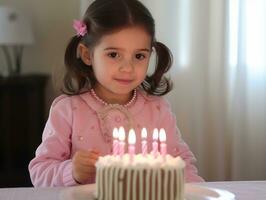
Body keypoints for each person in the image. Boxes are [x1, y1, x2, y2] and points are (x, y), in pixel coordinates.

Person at [29, 0, 204, 187]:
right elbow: (40, 172)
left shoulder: (158, 109)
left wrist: (196, 190)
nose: (127, 68)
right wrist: (71, 171)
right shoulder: (67, 111)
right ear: (88, 55)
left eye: (139, 56)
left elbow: (181, 163)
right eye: (113, 55)